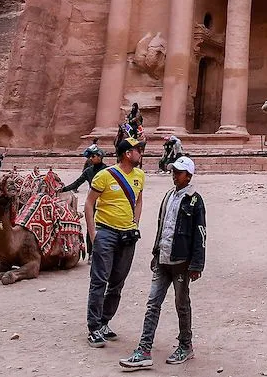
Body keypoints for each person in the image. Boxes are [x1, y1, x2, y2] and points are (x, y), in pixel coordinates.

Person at [118, 156, 206, 370]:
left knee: (181, 304)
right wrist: (155, 252)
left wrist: (197, 265)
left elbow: (200, 234)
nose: (174, 175)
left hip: (181, 262)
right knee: (152, 304)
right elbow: (162, 226)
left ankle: (185, 345)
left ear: (189, 176)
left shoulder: (195, 200)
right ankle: (144, 350)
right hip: (162, 259)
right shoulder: (169, 196)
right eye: (173, 171)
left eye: (179, 172)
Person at [85, 136, 146, 349]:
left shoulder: (140, 176)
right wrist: (93, 234)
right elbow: (89, 203)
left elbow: (138, 201)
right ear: (127, 154)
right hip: (106, 232)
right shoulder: (104, 176)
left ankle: (104, 322)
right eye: (138, 150)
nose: (140, 153)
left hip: (128, 235)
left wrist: (135, 224)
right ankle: (94, 327)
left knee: (117, 282)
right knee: (99, 280)